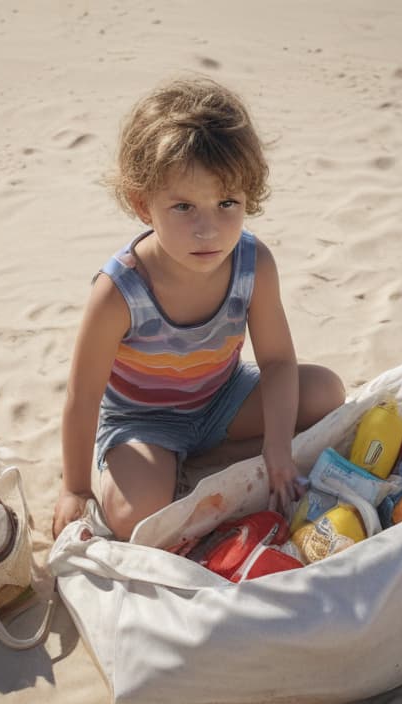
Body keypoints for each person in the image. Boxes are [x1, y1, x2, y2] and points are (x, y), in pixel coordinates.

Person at [52, 76, 345, 541]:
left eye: (227, 202)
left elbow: (276, 361)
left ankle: (204, 462)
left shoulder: (253, 264)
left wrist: (277, 447)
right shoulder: (119, 291)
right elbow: (82, 397)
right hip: (143, 420)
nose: (208, 231)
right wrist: (73, 488)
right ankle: (179, 468)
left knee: (326, 392)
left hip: (222, 398)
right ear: (143, 203)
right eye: (184, 207)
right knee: (134, 514)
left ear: (249, 195)